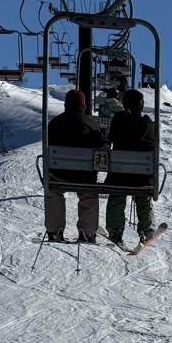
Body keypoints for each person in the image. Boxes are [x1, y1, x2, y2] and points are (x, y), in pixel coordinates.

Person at [45, 89, 104, 242]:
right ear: (83, 105)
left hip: (59, 174)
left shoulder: (55, 123)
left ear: (66, 104)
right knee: (88, 193)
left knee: (53, 192)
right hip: (84, 176)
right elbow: (99, 147)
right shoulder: (91, 123)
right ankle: (88, 231)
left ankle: (54, 230)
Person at [105, 89, 157, 245]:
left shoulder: (118, 121)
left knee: (117, 198)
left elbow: (112, 137)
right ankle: (147, 232)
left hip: (119, 177)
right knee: (144, 200)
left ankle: (115, 231)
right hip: (143, 178)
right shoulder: (149, 126)